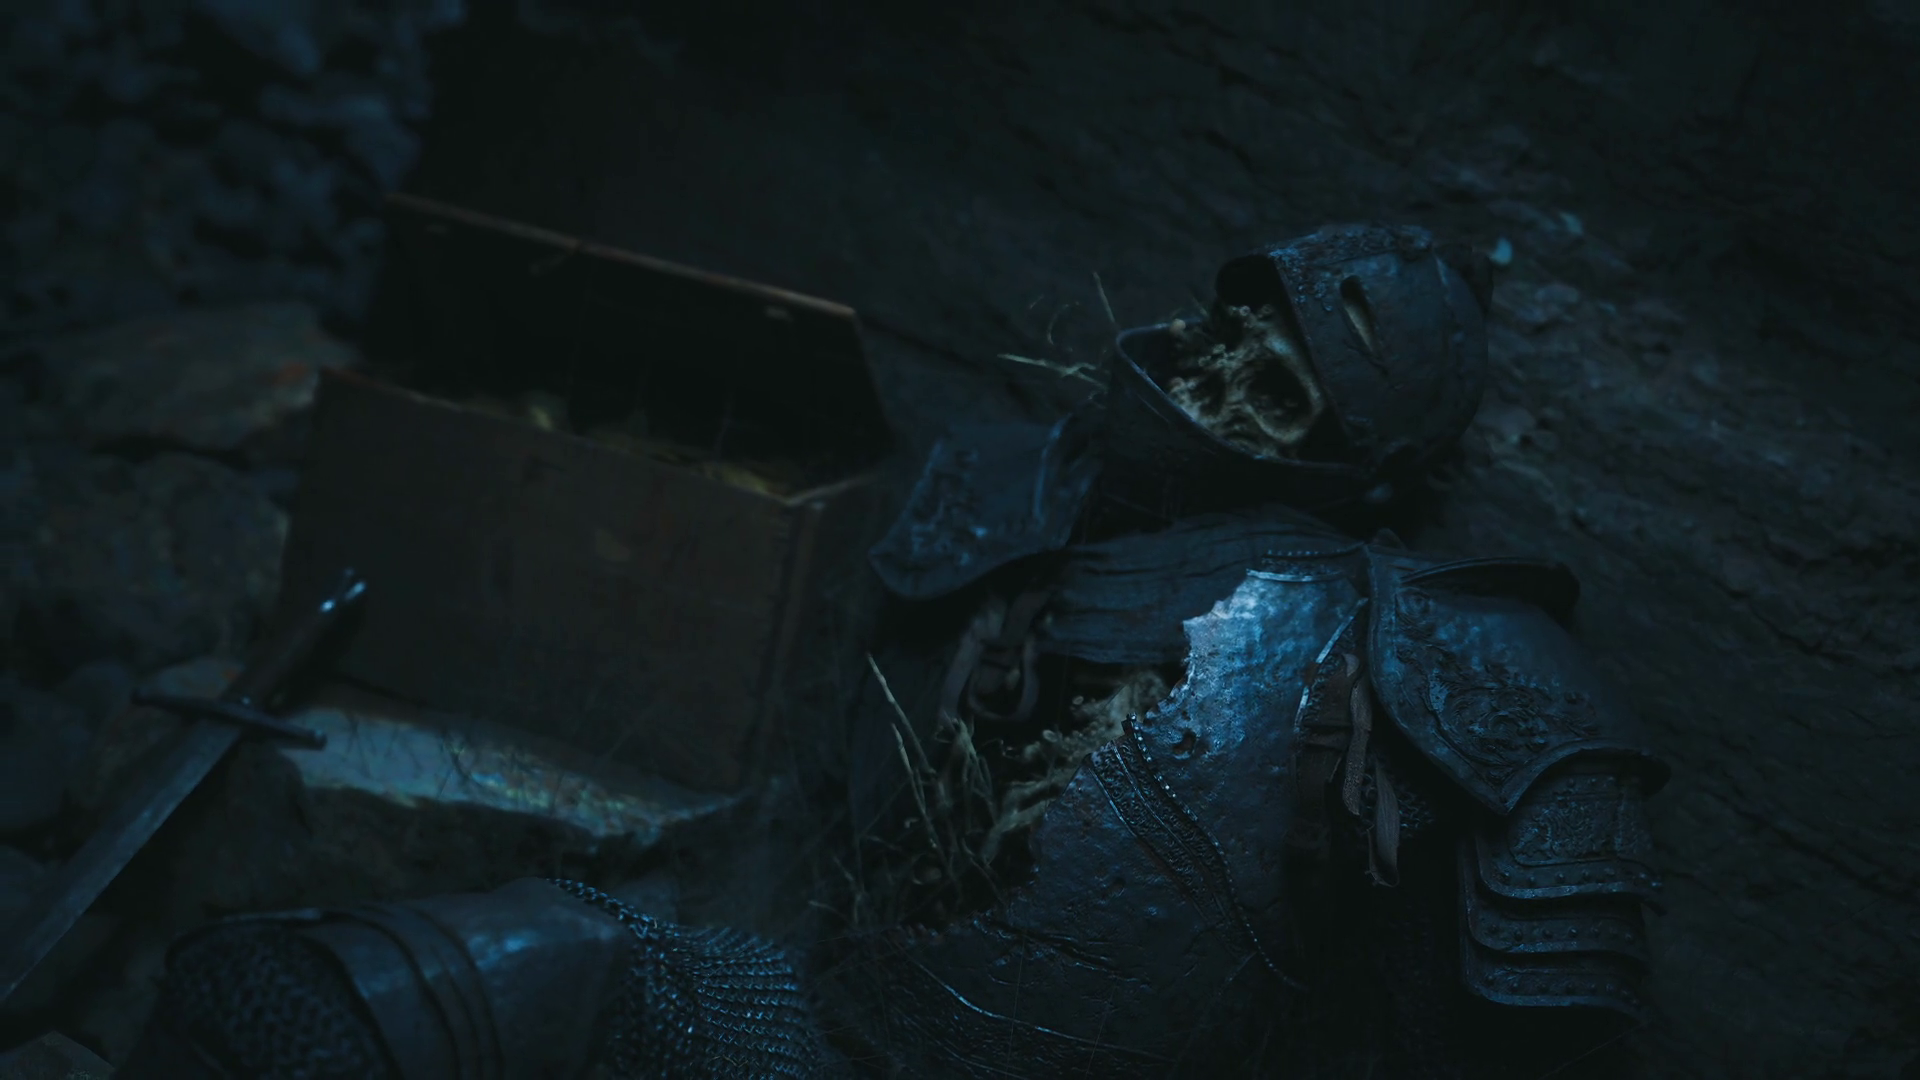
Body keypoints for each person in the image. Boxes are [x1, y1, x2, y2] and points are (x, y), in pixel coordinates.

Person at [120, 224, 1665, 1079]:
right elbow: (836, 820)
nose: (1213, 382)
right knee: (312, 999)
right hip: (818, 1034)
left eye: (1281, 389)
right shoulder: (1018, 518)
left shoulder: (1466, 673)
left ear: (1370, 466)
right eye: (1226, 341)